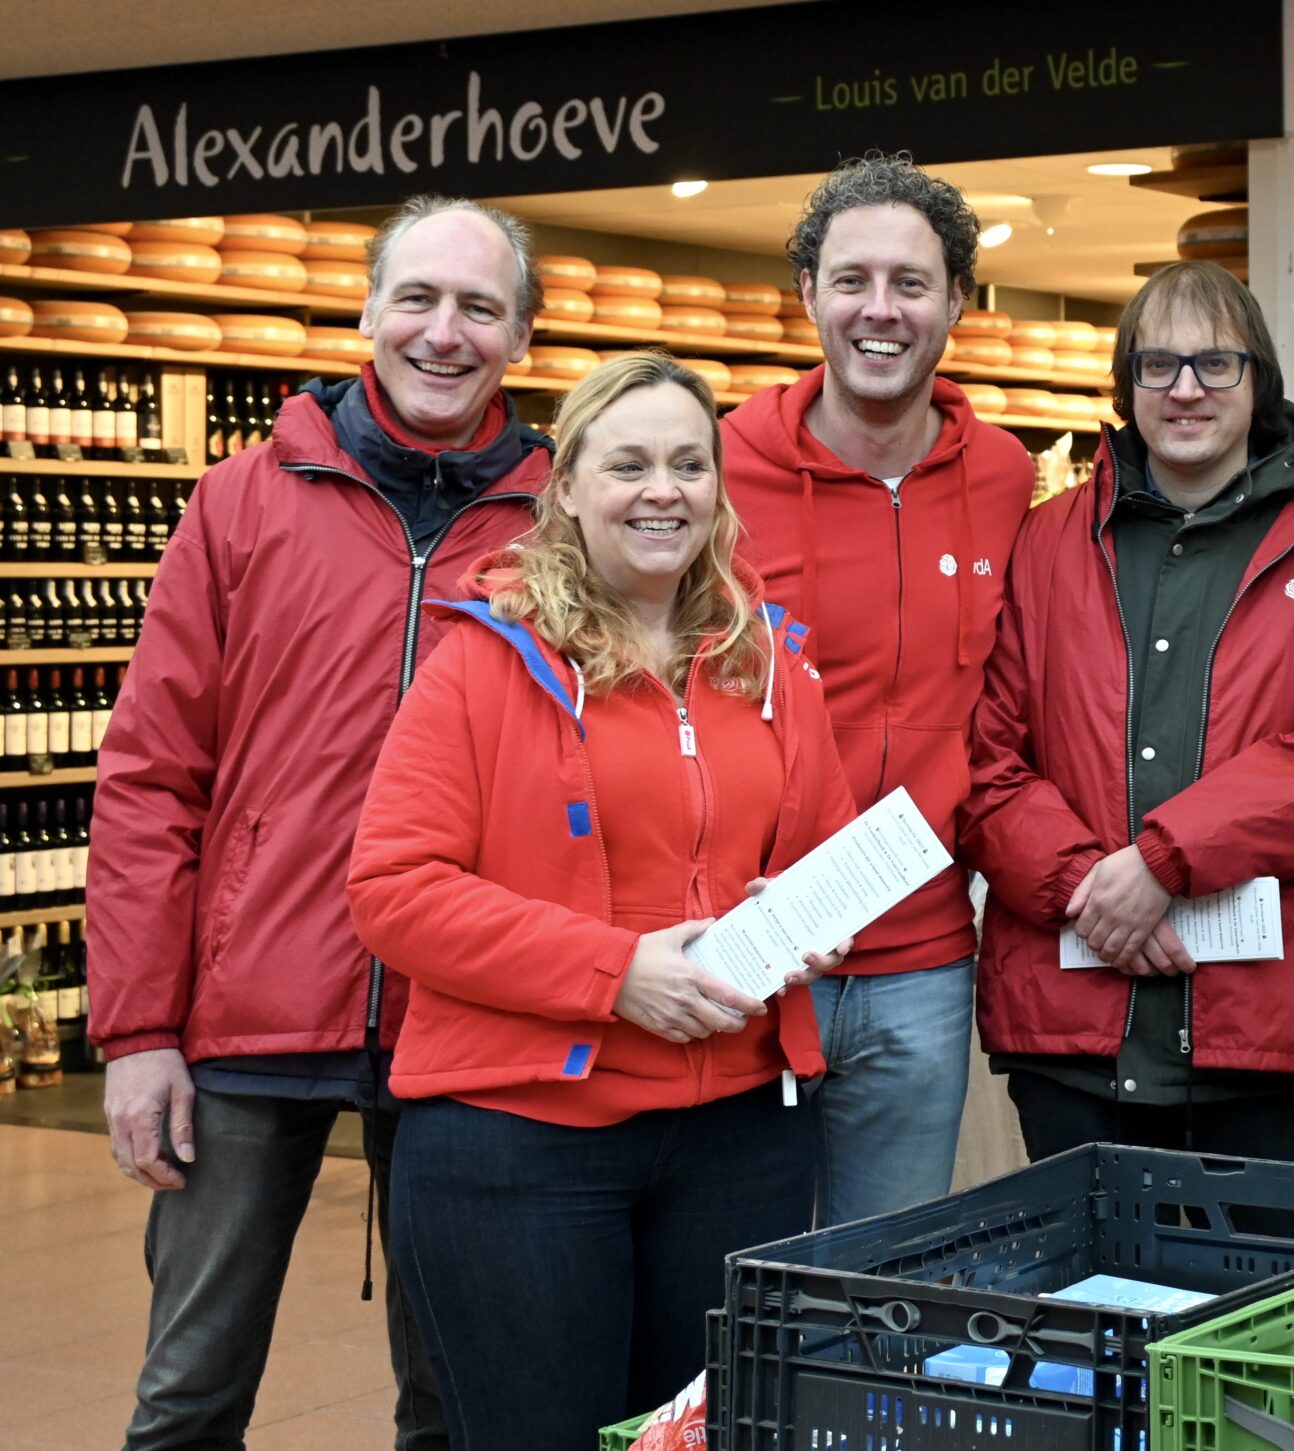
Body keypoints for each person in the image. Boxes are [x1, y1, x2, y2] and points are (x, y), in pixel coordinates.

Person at [90, 194, 551, 1451]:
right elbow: (149, 775)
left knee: (454, 1396)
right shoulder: (241, 500)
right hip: (244, 1016)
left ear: (520, 336)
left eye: (477, 307)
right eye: (417, 297)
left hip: (464, 1019)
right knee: (188, 1392)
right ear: (367, 311)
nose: (442, 332)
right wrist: (137, 1027)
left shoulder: (561, 523)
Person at [345, 353, 856, 1448]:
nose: (660, 489)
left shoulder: (768, 664)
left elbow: (822, 847)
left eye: (687, 462)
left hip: (736, 1138)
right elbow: (393, 891)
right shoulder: (484, 664)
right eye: (627, 464)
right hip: (518, 1142)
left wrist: (805, 920)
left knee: (695, 1438)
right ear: (565, 486)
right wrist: (615, 971)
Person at [958, 261, 1294, 1162]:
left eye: (1215, 364)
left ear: (1259, 380)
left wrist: (1163, 861)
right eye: (1158, 365)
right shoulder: (1050, 541)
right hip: (1072, 1029)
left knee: (1260, 1299)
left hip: (1265, 1034)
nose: (1186, 388)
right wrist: (1095, 890)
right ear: (1128, 384)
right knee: (1087, 1303)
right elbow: (988, 760)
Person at [720, 151, 1035, 1225]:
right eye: (851, 279)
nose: (879, 309)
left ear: (956, 300)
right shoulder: (718, 470)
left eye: (911, 282)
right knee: (735, 1289)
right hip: (749, 950)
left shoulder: (1003, 476)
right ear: (806, 293)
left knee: (878, 1287)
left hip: (924, 963)